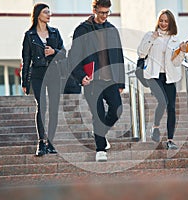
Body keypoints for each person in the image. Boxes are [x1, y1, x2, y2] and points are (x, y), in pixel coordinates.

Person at [69, 0, 125, 162]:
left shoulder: (112, 30)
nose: (104, 16)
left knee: (117, 109)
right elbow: (73, 57)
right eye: (101, 13)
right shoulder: (82, 30)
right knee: (98, 114)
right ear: (94, 10)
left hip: (110, 80)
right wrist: (80, 76)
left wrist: (120, 82)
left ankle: (100, 134)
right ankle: (100, 148)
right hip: (91, 81)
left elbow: (118, 56)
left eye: (107, 12)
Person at [137, 9, 187, 149]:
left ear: (171, 22)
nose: (163, 23)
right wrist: (151, 39)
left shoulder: (175, 39)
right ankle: (156, 126)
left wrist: (182, 51)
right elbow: (141, 53)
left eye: (166, 21)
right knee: (163, 101)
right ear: (157, 21)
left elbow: (176, 62)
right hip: (153, 75)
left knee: (171, 107)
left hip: (169, 76)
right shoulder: (150, 35)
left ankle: (170, 140)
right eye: (161, 20)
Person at [21, 3, 65, 156]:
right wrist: (24, 82)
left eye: (49, 12)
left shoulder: (55, 32)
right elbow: (26, 60)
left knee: (53, 107)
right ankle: (41, 143)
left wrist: (54, 51)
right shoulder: (29, 35)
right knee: (42, 106)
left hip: (54, 73)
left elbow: (64, 53)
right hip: (38, 73)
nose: (49, 14)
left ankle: (51, 143)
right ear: (38, 14)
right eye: (46, 12)